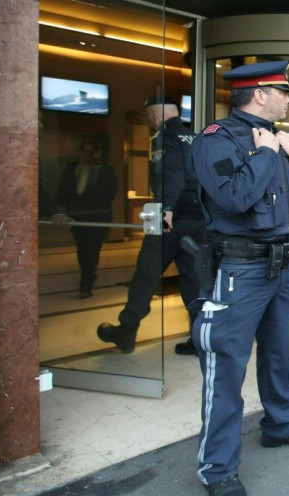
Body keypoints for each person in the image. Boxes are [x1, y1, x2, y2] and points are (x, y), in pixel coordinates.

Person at [189, 61, 289, 496]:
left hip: (278, 269)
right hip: (239, 270)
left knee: (280, 353)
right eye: (282, 91)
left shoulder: (279, 140)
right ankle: (218, 468)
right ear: (260, 94)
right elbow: (234, 198)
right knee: (227, 367)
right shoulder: (218, 140)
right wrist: (267, 154)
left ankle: (281, 425)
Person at [96, 96, 204, 355]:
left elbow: (171, 174)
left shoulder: (163, 138)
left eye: (149, 117)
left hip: (171, 221)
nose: (150, 121)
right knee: (193, 280)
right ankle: (199, 338)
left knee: (145, 275)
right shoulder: (195, 137)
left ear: (156, 115)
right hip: (198, 219)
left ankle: (126, 330)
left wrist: (166, 207)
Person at [56, 141, 117, 298]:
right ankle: (87, 280)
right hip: (96, 215)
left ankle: (87, 279)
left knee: (85, 249)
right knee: (91, 249)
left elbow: (62, 195)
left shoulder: (74, 170)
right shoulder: (106, 170)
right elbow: (111, 192)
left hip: (80, 215)